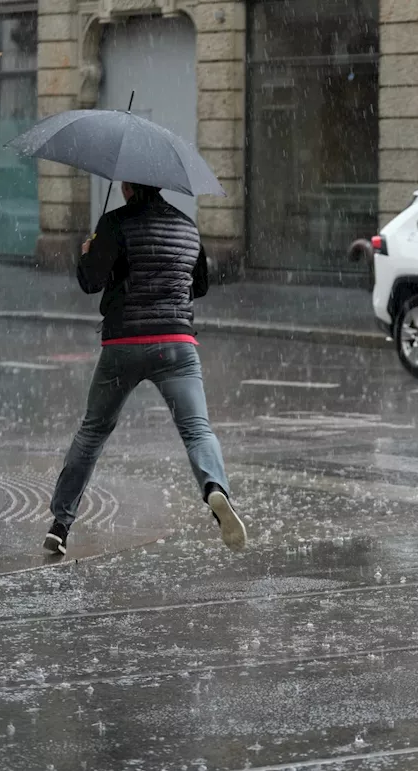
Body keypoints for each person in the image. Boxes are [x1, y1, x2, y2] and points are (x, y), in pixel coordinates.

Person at [44, 182, 246, 555]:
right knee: (197, 429)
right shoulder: (187, 226)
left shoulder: (115, 223)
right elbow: (199, 285)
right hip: (177, 344)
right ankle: (216, 489)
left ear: (126, 188)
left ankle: (60, 524)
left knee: (92, 433)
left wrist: (87, 253)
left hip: (124, 343)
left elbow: (90, 282)